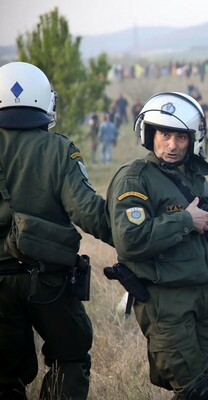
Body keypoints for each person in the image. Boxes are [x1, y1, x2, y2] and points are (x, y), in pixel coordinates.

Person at [106, 91, 208, 399]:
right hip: (164, 301)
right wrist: (185, 220)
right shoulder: (136, 178)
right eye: (165, 135)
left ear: (192, 139)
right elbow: (130, 241)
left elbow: (194, 242)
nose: (172, 145)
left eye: (181, 137)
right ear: (150, 135)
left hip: (202, 295)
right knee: (194, 391)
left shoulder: (196, 178)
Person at [0, 61, 112, 399]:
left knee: (3, 378)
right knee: (71, 358)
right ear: (44, 101)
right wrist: (137, 230)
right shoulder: (60, 149)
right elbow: (88, 212)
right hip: (48, 279)